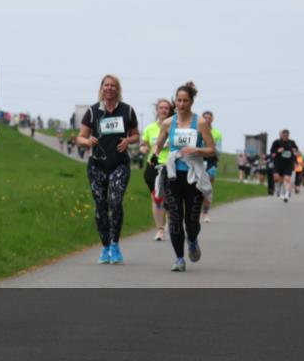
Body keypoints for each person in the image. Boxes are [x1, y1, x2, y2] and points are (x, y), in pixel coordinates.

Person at [152, 81, 217, 272]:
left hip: (193, 176)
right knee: (174, 217)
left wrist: (196, 149)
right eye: (179, 100)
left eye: (185, 101)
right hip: (173, 175)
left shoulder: (201, 123)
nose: (181, 104)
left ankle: (193, 240)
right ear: (175, 101)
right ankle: (179, 259)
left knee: (191, 220)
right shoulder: (168, 123)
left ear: (191, 102)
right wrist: (155, 154)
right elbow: (158, 144)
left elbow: (211, 149)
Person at [76, 75, 140, 264]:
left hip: (120, 164)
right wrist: (87, 141)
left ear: (118, 89)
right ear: (102, 88)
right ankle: (105, 247)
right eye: (107, 85)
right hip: (97, 165)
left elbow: (136, 135)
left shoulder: (127, 110)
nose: (110, 88)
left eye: (113, 85)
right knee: (101, 206)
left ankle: (115, 244)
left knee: (115, 201)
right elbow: (80, 137)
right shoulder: (93, 111)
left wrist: (128, 140)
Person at [140, 98, 173, 241]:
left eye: (166, 108)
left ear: (170, 111)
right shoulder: (150, 128)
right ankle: (160, 229)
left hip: (170, 165)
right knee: (157, 198)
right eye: (161, 108)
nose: (164, 110)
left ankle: (171, 224)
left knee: (170, 198)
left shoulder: (175, 128)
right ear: (157, 110)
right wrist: (143, 148)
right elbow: (143, 144)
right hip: (153, 166)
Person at [200, 110, 222, 223]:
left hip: (211, 161)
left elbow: (218, 151)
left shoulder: (217, 133)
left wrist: (211, 145)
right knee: (196, 187)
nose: (207, 120)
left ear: (212, 119)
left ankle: (205, 212)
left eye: (209, 118)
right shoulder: (197, 130)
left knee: (207, 188)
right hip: (198, 160)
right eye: (205, 118)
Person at [269, 129, 299, 202]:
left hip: (288, 164)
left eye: (287, 135)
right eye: (284, 135)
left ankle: (286, 195)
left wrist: (295, 151)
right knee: (277, 178)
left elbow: (296, 151)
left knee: (287, 179)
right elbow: (272, 153)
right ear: (281, 135)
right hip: (278, 163)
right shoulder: (276, 142)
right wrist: (278, 151)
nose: (285, 136)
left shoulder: (292, 142)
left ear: (288, 135)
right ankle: (278, 189)